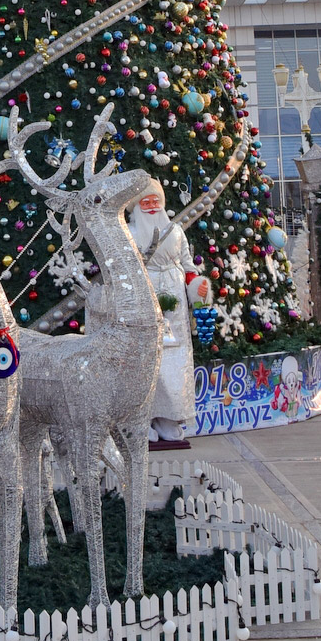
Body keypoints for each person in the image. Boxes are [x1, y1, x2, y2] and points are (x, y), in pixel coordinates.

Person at [127, 179, 211, 445]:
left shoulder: (175, 231)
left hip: (174, 303)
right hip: (145, 296)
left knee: (174, 362)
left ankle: (170, 418)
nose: (152, 206)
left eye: (156, 201)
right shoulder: (128, 232)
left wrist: (196, 285)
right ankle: (142, 420)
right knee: (145, 359)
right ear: (136, 206)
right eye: (146, 201)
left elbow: (188, 266)